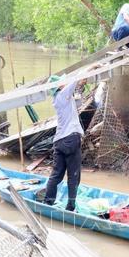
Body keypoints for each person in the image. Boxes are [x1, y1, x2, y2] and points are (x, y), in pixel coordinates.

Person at [40, 73, 87, 212]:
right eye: (63, 82)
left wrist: (81, 85)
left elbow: (77, 101)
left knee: (56, 174)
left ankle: (48, 202)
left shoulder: (57, 99)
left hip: (59, 141)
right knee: (73, 175)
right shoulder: (63, 94)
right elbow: (76, 78)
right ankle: (70, 206)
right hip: (71, 139)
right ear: (60, 86)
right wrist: (92, 68)